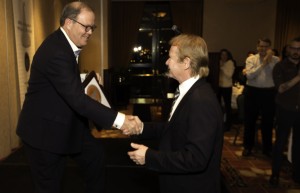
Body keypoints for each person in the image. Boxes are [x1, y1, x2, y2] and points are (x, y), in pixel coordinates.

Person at [16, 2, 141, 193]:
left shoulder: (65, 44)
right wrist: (121, 120)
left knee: (95, 156)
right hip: (44, 133)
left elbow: (61, 82)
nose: (90, 32)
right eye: (86, 26)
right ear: (68, 23)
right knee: (49, 186)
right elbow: (77, 99)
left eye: (93, 27)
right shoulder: (57, 50)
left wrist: (84, 79)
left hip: (68, 124)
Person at [127, 34, 224, 193]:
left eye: (170, 58)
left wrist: (149, 156)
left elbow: (196, 159)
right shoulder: (189, 91)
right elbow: (175, 128)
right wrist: (142, 127)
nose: (166, 62)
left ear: (186, 63)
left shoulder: (201, 101)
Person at [269, 37, 300, 186]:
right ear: (288, 49)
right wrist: (298, 77)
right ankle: (275, 174)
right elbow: (281, 88)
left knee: (298, 144)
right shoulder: (280, 66)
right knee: (280, 142)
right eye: (293, 48)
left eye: (299, 49)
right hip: (285, 109)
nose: (296, 52)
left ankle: (296, 174)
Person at [242, 38, 280, 157]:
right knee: (249, 121)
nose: (263, 49)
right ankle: (248, 147)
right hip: (252, 92)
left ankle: (267, 148)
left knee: (267, 122)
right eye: (261, 46)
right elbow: (250, 76)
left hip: (269, 93)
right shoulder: (251, 59)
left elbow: (277, 76)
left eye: (266, 46)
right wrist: (263, 64)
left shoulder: (276, 60)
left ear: (270, 48)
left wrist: (269, 62)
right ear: (257, 47)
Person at [217, 49, 235, 131]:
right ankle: (218, 123)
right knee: (217, 105)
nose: (223, 56)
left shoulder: (230, 63)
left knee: (228, 106)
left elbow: (229, 75)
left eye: (225, 55)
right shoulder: (218, 62)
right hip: (219, 86)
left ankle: (228, 124)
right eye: (222, 55)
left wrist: (222, 68)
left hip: (227, 87)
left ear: (228, 56)